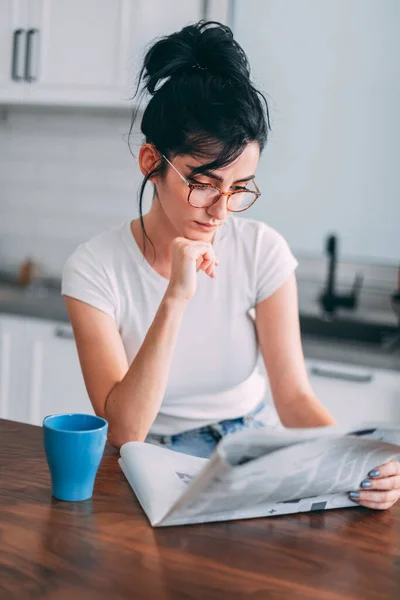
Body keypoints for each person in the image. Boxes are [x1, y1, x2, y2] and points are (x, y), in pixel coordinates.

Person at [62, 21, 400, 510]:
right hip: (149, 457)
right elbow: (123, 429)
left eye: (239, 188)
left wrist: (354, 462)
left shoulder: (262, 250)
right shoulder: (94, 268)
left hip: (251, 452)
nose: (221, 210)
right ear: (150, 161)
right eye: (203, 183)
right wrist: (176, 296)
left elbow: (294, 398)